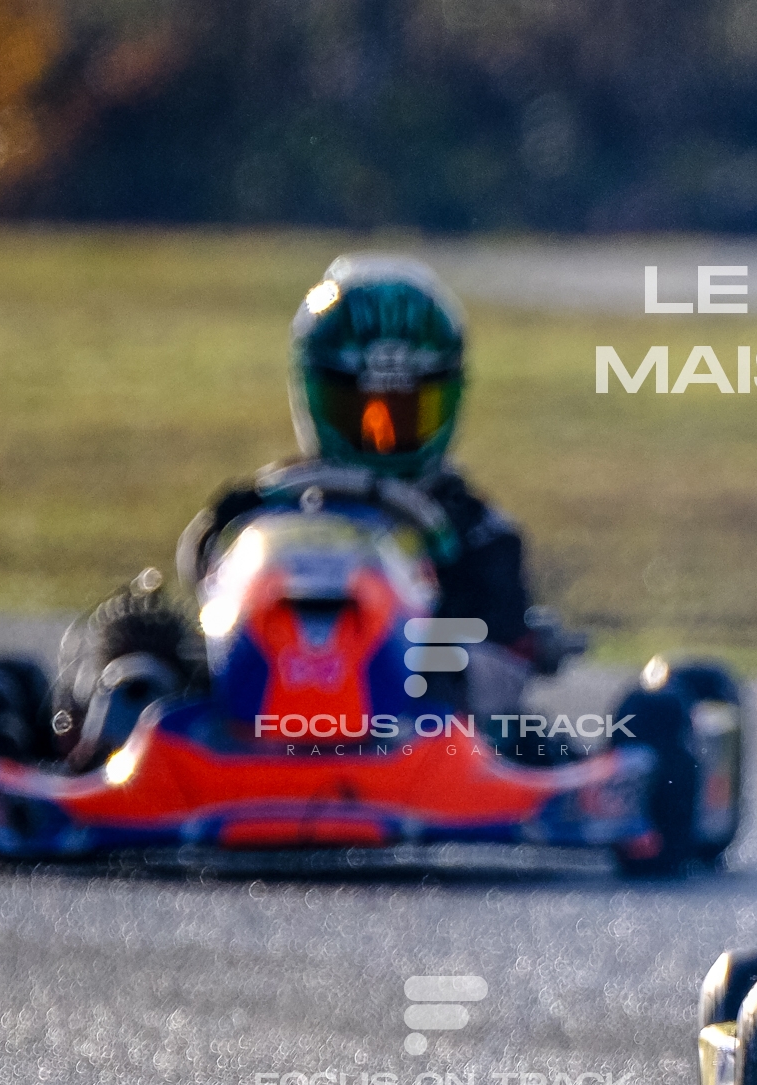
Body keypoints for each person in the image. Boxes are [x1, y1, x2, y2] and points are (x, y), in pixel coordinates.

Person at [52, 254, 574, 755]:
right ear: (315, 396)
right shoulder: (265, 508)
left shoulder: (480, 535)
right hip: (252, 710)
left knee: (494, 700)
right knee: (136, 640)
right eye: (363, 413)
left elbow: (504, 672)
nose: (382, 437)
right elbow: (212, 602)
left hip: (422, 734)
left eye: (405, 412)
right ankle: (111, 750)